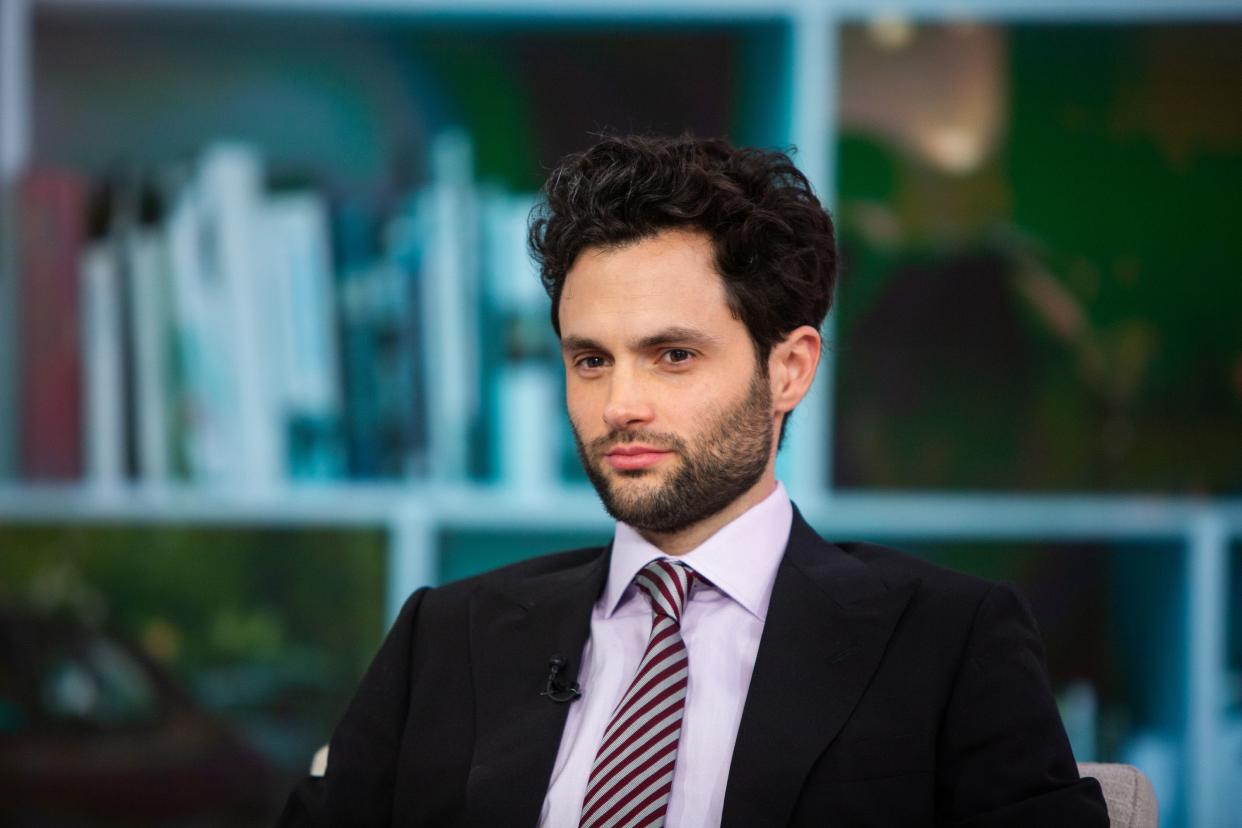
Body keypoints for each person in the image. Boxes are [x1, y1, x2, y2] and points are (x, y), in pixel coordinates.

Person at [278, 135, 1107, 827]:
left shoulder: (951, 644)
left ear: (788, 369)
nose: (620, 405)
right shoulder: (443, 638)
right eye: (590, 360)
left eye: (673, 355)